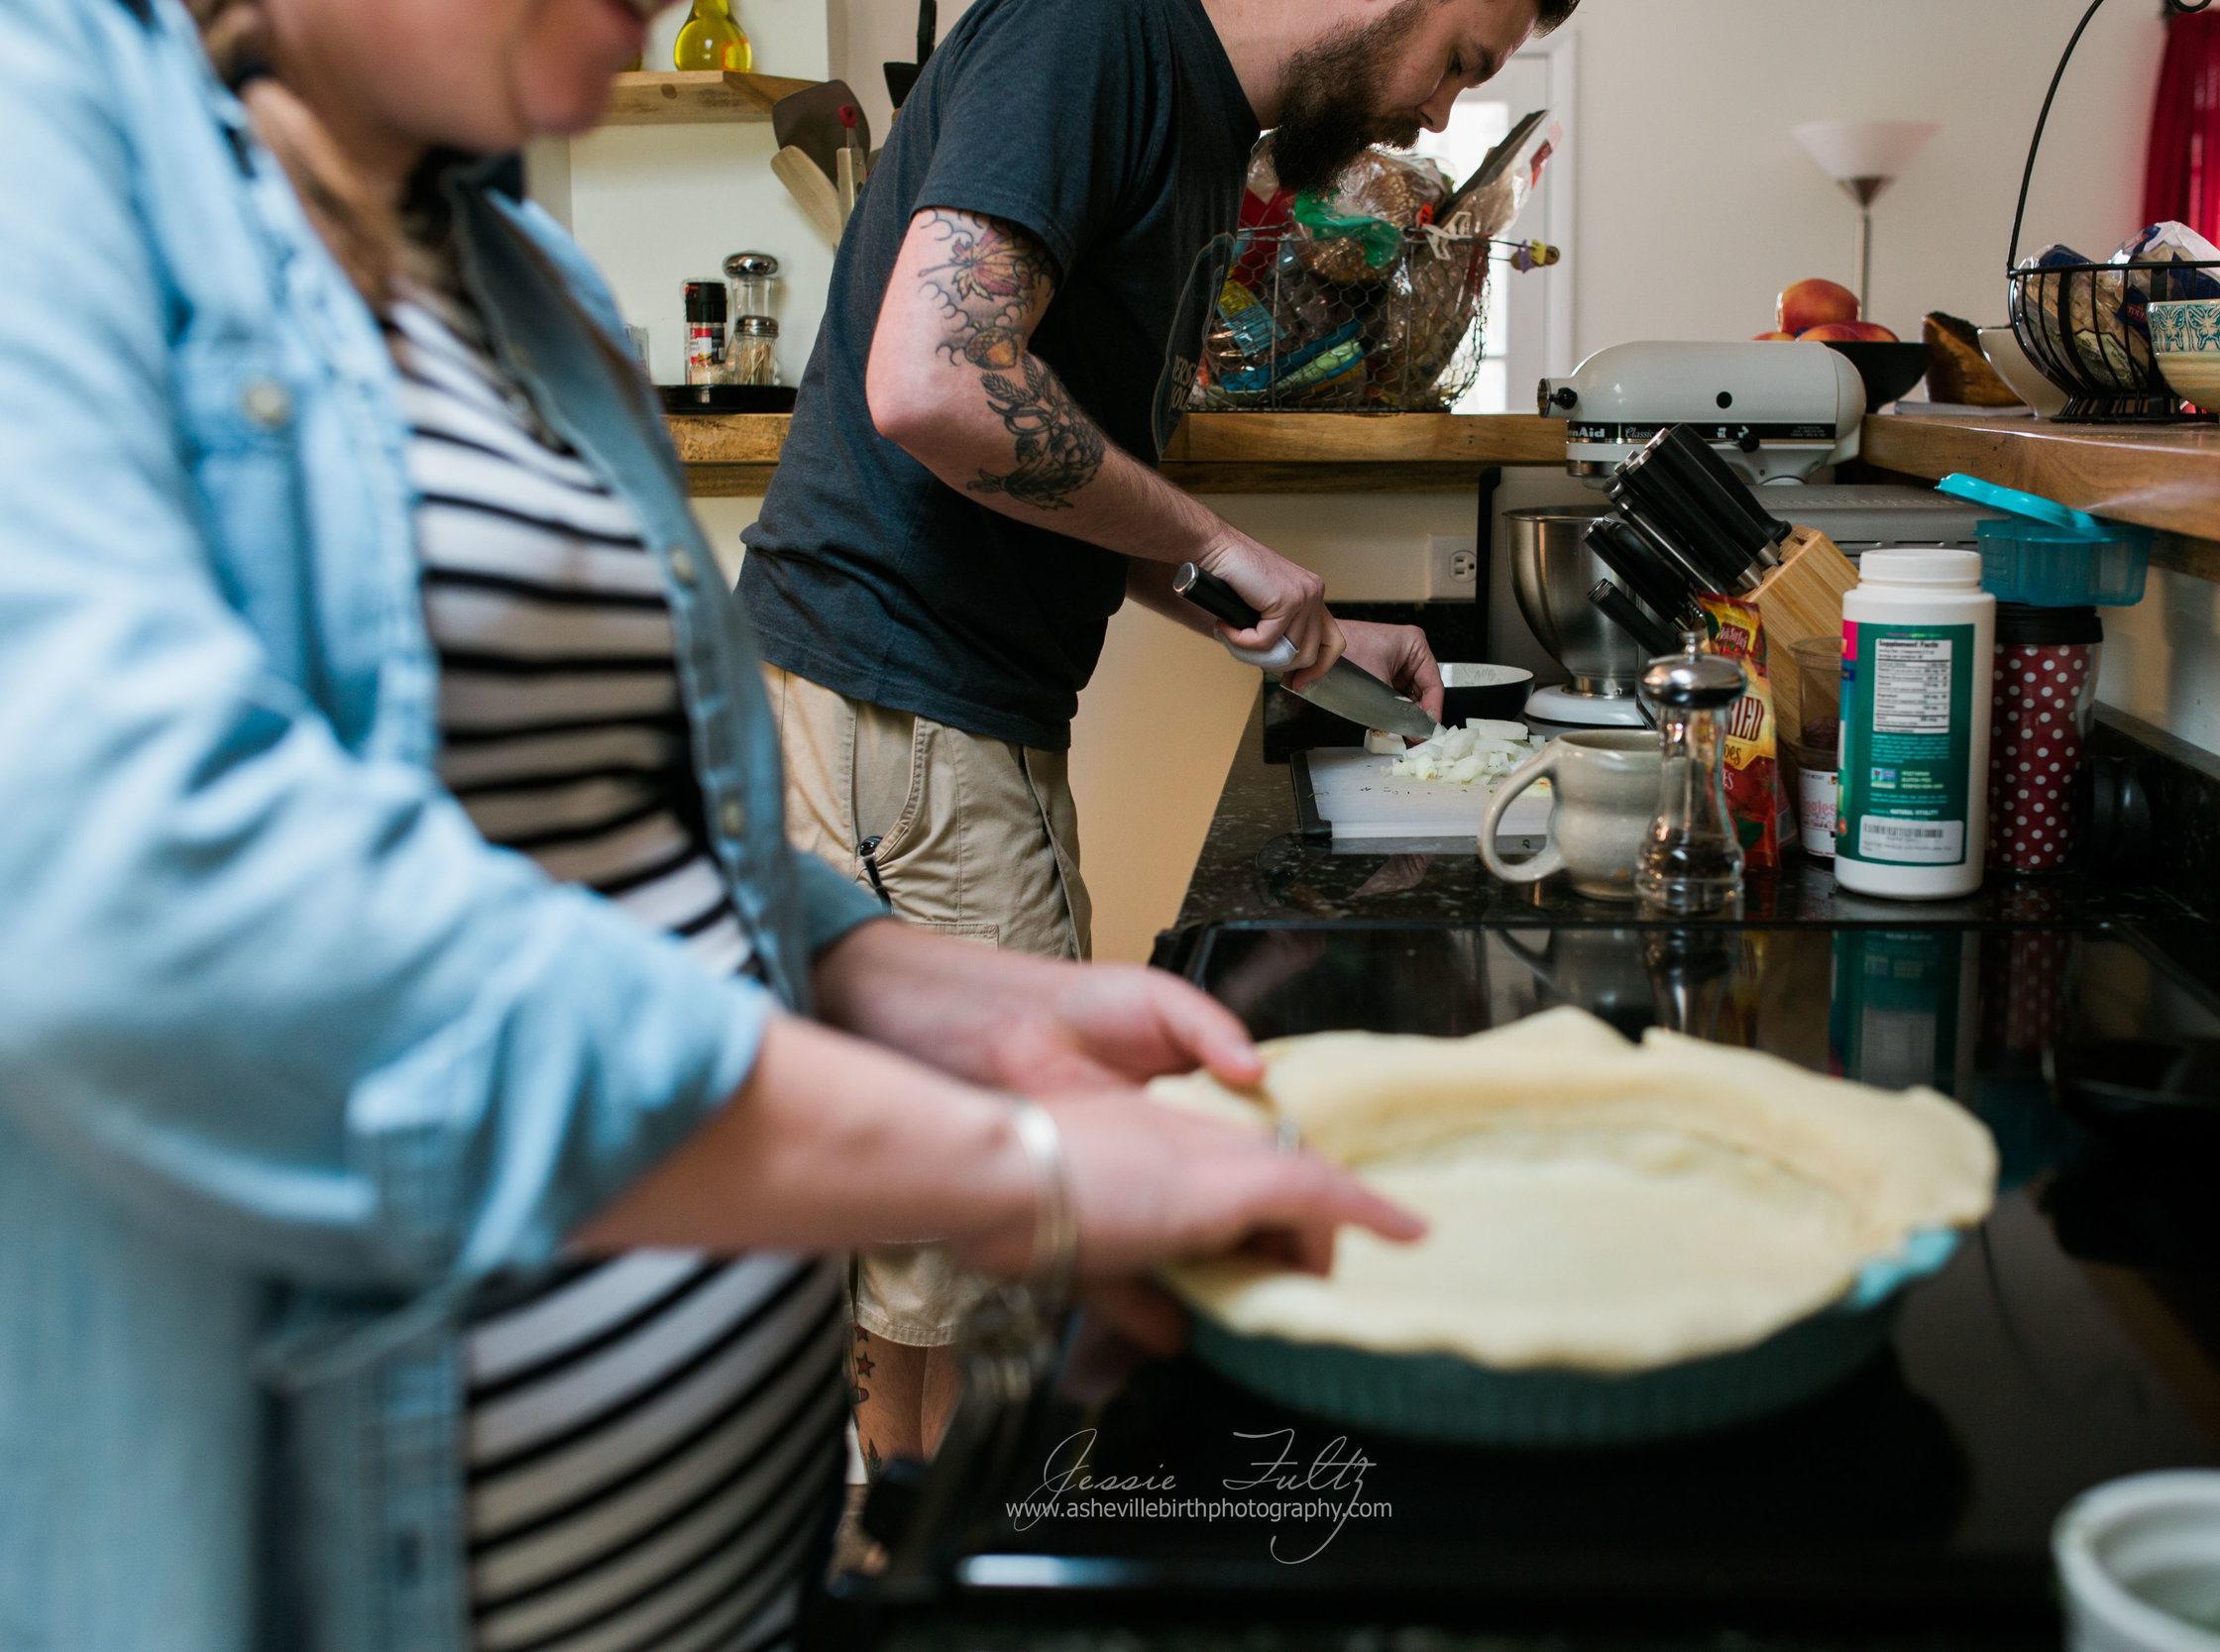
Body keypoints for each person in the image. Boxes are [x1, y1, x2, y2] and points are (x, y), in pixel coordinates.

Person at [0, 3, 1420, 1651]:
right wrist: (1007, 1167)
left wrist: (944, 994)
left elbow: (623, 838)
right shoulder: (54, 139)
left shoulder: (515, 273)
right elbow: (137, 910)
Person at [741, 0, 1575, 1471]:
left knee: (951, 1255)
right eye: (1463, 59)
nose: (1443, 116)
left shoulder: (1194, 122)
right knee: (984, 1266)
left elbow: (1050, 469)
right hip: (910, 713)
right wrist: (1214, 541)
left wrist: (1265, 600)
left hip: (947, 719)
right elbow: (937, 380)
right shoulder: (1093, 36)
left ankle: (912, 1564)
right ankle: (939, 1595)